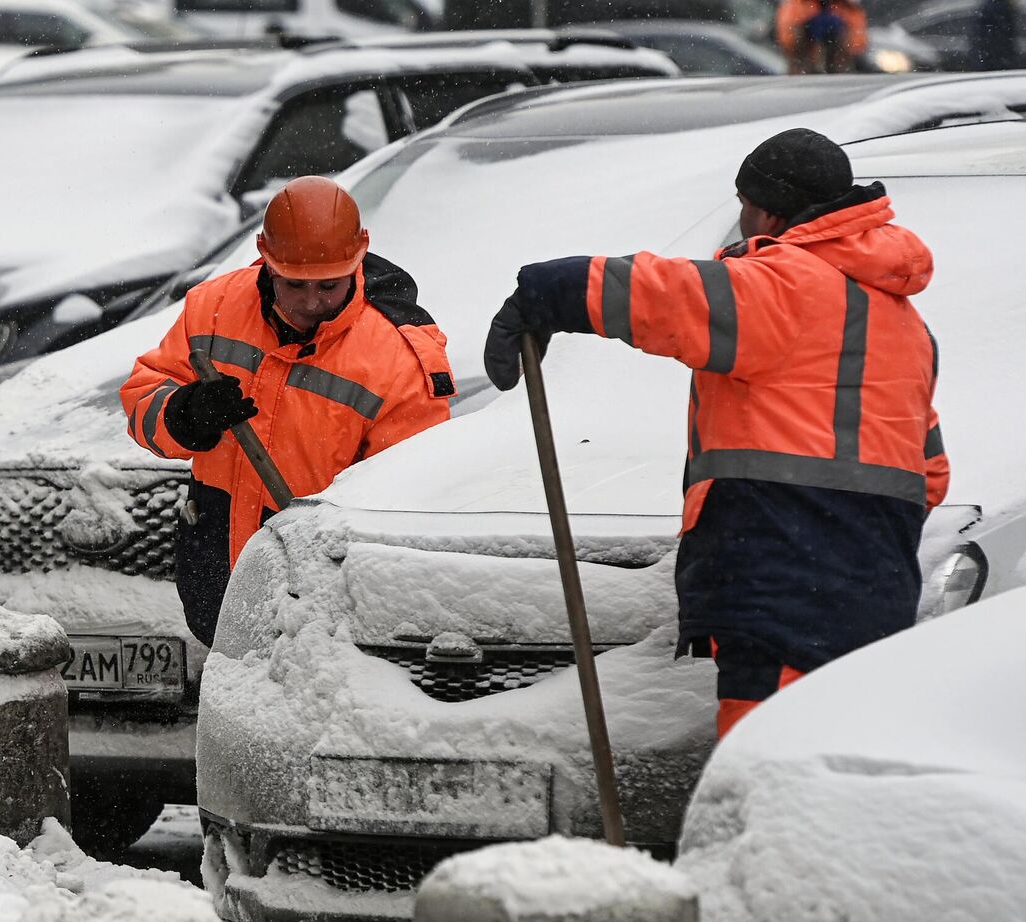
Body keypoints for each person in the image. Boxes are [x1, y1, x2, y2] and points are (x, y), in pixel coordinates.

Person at [481, 129, 949, 738]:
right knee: (841, 750)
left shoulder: (788, 284)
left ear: (769, 210)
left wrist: (550, 290)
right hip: (875, 579)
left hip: (783, 567)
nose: (740, 219)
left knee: (769, 760)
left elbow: (668, 296)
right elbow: (928, 473)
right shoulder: (900, 323)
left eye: (745, 204)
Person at [120, 175, 455, 646]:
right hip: (215, 557)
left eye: (329, 286)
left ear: (359, 258)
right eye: (295, 285)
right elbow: (143, 397)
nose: (311, 302)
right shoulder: (214, 306)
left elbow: (407, 501)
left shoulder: (397, 358)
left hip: (321, 584)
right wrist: (184, 415)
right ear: (265, 258)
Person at [775, 0, 869, 73]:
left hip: (830, 64)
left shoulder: (845, 7)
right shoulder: (799, 6)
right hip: (808, 62)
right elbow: (789, 37)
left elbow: (857, 42)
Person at [970, 0, 1020, 70]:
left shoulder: (993, 6)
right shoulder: (1000, 9)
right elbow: (998, 38)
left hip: (989, 58)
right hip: (994, 60)